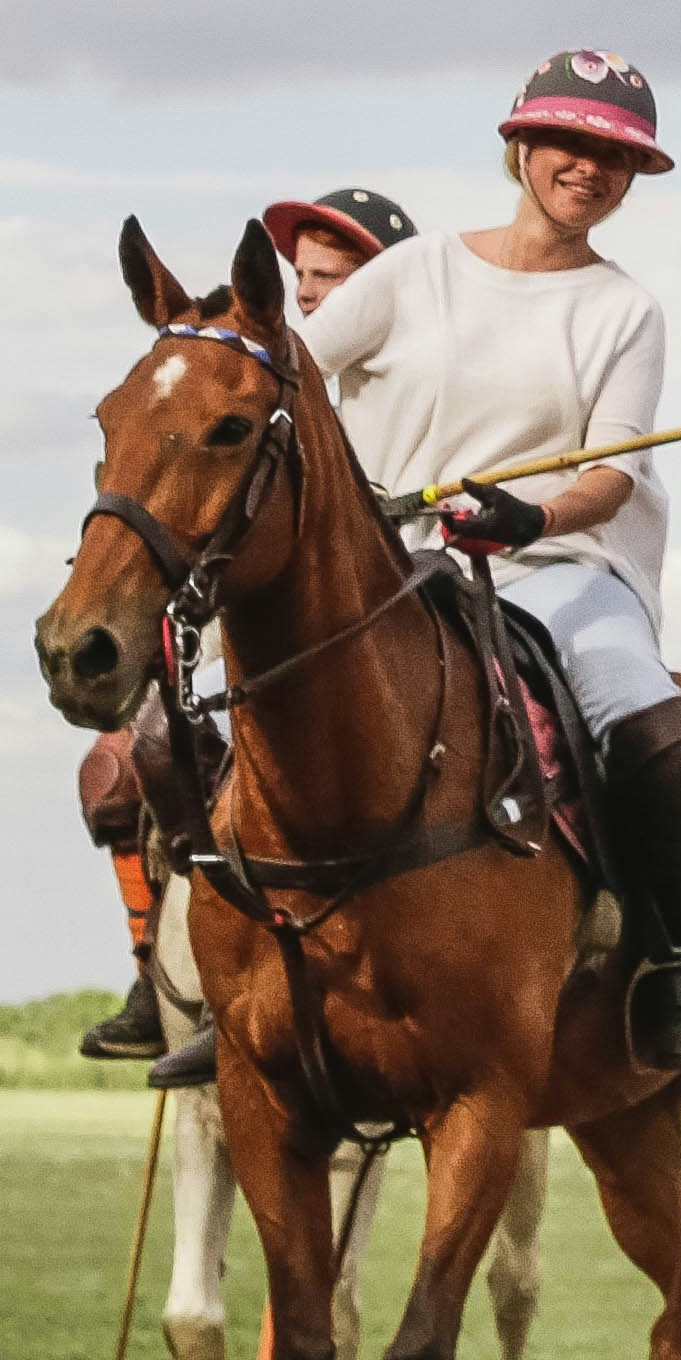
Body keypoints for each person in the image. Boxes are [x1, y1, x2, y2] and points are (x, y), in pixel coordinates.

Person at [299, 52, 681, 1072]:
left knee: (659, 735)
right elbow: (292, 377)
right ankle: (199, 978)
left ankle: (679, 962)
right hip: (390, 572)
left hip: (562, 567)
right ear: (522, 147)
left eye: (615, 155)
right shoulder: (412, 274)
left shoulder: (625, 311)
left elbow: (611, 479)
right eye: (570, 144)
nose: (589, 167)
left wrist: (526, 517)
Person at [78, 188, 421, 1087]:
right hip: (281, 617)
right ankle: (175, 979)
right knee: (134, 756)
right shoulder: (253, 368)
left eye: (336, 279)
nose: (315, 296)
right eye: (305, 276)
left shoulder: (424, 370)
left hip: (407, 602)